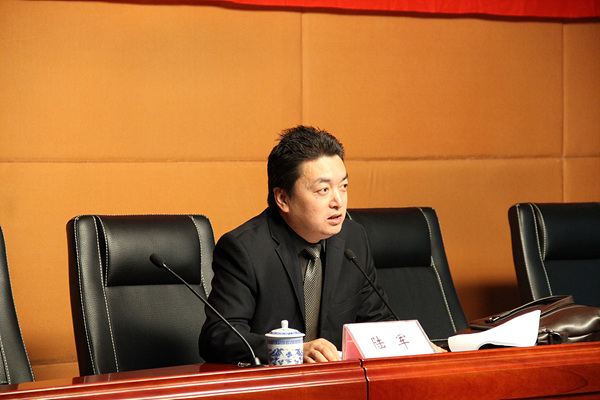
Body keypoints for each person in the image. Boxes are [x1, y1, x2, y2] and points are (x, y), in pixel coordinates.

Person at [199, 125, 395, 365]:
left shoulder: (353, 239)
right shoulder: (245, 249)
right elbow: (218, 337)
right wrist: (293, 350)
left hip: (336, 380)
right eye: (323, 190)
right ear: (283, 198)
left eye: (343, 186)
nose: (338, 201)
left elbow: (378, 323)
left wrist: (421, 348)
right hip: (273, 382)